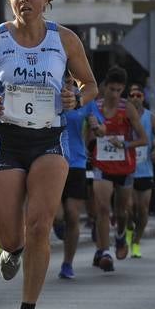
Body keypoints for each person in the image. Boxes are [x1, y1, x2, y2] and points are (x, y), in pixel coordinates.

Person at [0, 0, 97, 309]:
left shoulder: (65, 40)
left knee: (39, 224)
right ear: (11, 0)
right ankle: (11, 249)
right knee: (11, 233)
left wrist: (76, 98)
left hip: (48, 139)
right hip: (6, 139)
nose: (25, 0)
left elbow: (90, 85)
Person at [87, 67, 146, 272]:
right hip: (101, 164)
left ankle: (120, 235)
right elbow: (88, 135)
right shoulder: (95, 106)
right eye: (111, 89)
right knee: (102, 209)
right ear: (104, 87)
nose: (115, 94)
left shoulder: (127, 108)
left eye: (119, 90)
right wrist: (90, 145)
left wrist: (126, 145)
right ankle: (104, 252)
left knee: (122, 211)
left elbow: (143, 139)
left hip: (124, 166)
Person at [55, 72, 103, 280]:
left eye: (69, 81)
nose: (66, 84)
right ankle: (58, 226)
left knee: (73, 215)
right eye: (62, 80)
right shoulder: (47, 97)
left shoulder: (83, 100)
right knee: (56, 215)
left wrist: (96, 126)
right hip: (50, 160)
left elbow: (102, 129)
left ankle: (67, 263)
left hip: (75, 162)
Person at [126, 83, 155, 259]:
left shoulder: (151, 117)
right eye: (132, 95)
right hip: (127, 169)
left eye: (138, 95)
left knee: (143, 211)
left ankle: (136, 242)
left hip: (145, 170)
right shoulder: (123, 115)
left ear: (143, 98)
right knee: (129, 209)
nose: (135, 98)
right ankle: (128, 229)